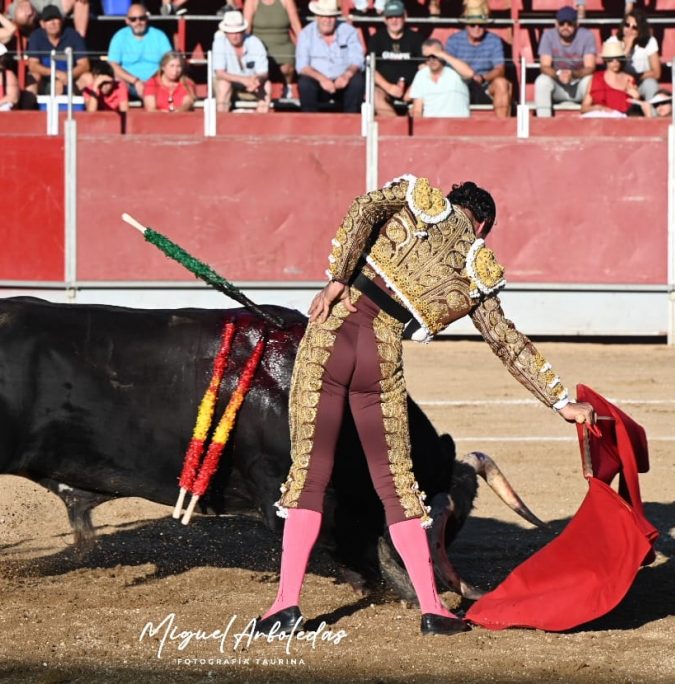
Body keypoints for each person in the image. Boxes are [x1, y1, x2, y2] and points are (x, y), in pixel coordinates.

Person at [255, 173, 596, 638]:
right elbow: (507, 341)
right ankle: (433, 609)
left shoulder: (416, 198)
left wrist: (337, 280)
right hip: (381, 357)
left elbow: (362, 208)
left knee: (310, 477)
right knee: (397, 487)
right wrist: (561, 402)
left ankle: (285, 606)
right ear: (483, 227)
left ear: (452, 202)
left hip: (331, 334)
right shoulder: (476, 264)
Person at [294, 0, 365, 113]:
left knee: (357, 81)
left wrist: (346, 75)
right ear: (317, 16)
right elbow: (302, 66)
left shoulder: (349, 32)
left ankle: (352, 123)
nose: (327, 20)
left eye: (331, 16)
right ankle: (309, 124)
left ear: (336, 17)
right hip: (317, 81)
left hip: (343, 80)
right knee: (305, 83)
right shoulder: (306, 34)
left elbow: (358, 59)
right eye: (323, 16)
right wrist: (322, 79)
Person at [445, 0, 512, 118]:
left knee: (502, 83)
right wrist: (467, 77)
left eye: (481, 24)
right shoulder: (453, 41)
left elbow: (500, 69)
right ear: (466, 25)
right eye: (472, 24)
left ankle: (502, 126)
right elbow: (447, 70)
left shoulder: (494, 41)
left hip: (486, 85)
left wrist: (483, 78)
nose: (477, 28)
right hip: (461, 84)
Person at [534, 5, 596, 117]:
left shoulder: (587, 35)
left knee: (591, 80)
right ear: (556, 24)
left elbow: (590, 67)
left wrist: (573, 74)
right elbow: (544, 66)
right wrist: (559, 75)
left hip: (578, 85)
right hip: (558, 84)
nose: (565, 27)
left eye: (569, 23)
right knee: (542, 81)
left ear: (576, 24)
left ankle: (591, 120)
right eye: (562, 23)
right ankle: (543, 123)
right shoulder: (548, 35)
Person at [367, 0, 422, 117]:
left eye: (398, 16)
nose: (394, 20)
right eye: (390, 17)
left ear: (405, 16)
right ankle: (398, 128)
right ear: (384, 19)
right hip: (385, 87)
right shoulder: (376, 39)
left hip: (411, 88)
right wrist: (389, 87)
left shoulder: (416, 39)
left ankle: (414, 131)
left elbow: (424, 68)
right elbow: (370, 68)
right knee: (374, 95)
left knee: (422, 96)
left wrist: (414, 88)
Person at [107, 2, 172, 99]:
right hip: (129, 83)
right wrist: (135, 81)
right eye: (133, 19)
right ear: (127, 21)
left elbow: (169, 61)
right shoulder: (119, 37)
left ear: (147, 18)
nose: (138, 22)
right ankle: (123, 113)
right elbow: (113, 65)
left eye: (141, 18)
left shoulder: (159, 36)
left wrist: (152, 81)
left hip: (156, 82)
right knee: (117, 78)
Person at [212, 10, 270, 113]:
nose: (235, 36)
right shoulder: (219, 42)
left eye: (238, 32)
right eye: (231, 32)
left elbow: (263, 72)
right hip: (228, 82)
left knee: (266, 86)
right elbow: (220, 73)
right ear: (225, 32)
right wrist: (243, 80)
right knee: (223, 84)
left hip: (251, 83)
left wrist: (257, 80)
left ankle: (261, 122)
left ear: (243, 31)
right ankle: (221, 121)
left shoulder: (255, 42)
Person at [244, 0, 302, 99]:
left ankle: (287, 86)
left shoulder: (287, 1)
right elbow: (246, 28)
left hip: (283, 44)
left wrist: (304, 44)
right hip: (259, 45)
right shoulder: (251, 2)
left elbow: (296, 25)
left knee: (288, 64)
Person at [26, 4, 89, 95]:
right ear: (42, 24)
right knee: (33, 78)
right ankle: (31, 108)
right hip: (46, 80)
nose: (53, 23)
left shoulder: (73, 35)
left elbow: (84, 65)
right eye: (48, 20)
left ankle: (87, 109)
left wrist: (68, 76)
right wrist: (55, 74)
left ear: (61, 21)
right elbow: (33, 65)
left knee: (88, 78)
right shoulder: (36, 37)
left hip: (71, 79)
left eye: (56, 19)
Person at [408, 38, 473, 118]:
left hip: (457, 125)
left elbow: (469, 73)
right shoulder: (421, 75)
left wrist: (443, 55)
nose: (431, 60)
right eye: (427, 57)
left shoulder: (454, 70)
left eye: (434, 56)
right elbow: (417, 111)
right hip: (431, 126)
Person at [580, 39, 638, 117]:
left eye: (618, 58)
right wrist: (598, 108)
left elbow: (634, 112)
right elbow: (584, 108)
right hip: (599, 119)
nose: (615, 62)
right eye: (611, 59)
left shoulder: (629, 79)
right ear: (605, 60)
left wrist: (637, 98)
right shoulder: (596, 78)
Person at [619, 8, 660, 106]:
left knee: (651, 84)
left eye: (635, 27)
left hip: (641, 82)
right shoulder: (613, 41)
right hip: (620, 83)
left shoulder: (650, 41)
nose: (629, 30)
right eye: (627, 25)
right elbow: (614, 68)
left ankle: (653, 117)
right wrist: (627, 47)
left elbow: (656, 72)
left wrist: (636, 78)